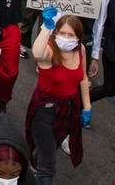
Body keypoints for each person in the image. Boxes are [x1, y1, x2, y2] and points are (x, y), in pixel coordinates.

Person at [25, 10, 89, 184]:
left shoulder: (81, 50)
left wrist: (87, 108)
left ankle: (32, 164)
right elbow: (37, 54)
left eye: (71, 35)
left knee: (49, 146)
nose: (66, 38)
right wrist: (46, 27)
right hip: (44, 112)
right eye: (62, 33)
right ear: (55, 33)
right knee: (48, 166)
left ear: (78, 37)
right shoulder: (49, 51)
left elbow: (83, 78)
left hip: (68, 111)